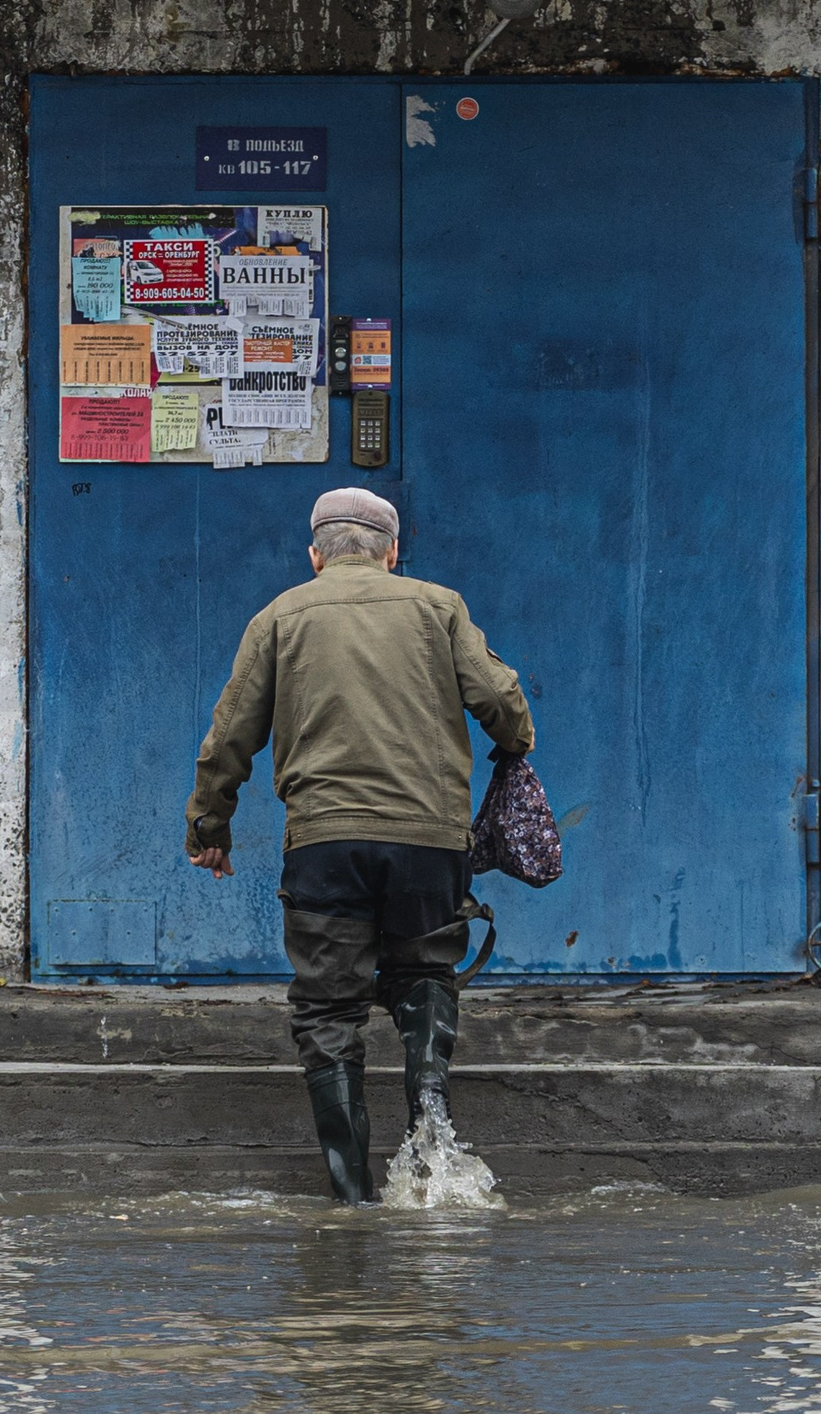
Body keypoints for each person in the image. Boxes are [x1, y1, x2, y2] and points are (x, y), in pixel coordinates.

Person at [184, 487, 534, 1203]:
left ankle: (352, 1195)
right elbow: (500, 701)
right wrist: (514, 743)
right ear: (392, 552)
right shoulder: (439, 607)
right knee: (424, 975)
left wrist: (209, 827)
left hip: (324, 844)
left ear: (315, 555)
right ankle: (431, 1130)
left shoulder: (279, 617)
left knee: (327, 1010)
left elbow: (229, 737)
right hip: (429, 840)